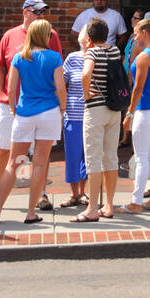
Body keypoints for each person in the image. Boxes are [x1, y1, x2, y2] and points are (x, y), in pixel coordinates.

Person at [0, 0, 64, 215]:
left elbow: (57, 68)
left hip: (33, 107)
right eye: (37, 12)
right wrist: (0, 95)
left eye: (44, 12)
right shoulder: (10, 35)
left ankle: (40, 194)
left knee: (40, 155)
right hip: (13, 106)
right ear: (25, 12)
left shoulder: (51, 35)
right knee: (3, 149)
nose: (41, 16)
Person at [77, 16, 123, 222]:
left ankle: (92, 208)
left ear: (89, 36)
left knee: (93, 158)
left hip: (96, 110)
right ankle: (109, 205)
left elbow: (86, 74)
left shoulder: (92, 52)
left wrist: (86, 94)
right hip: (115, 108)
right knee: (111, 157)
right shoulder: (115, 50)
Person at [122, 18, 150, 213]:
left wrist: (129, 113)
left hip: (145, 109)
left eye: (137, 33)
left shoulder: (143, 57)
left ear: (145, 33)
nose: (135, 36)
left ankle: (136, 202)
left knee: (141, 158)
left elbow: (137, 88)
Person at [61, 29, 88, 207]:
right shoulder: (72, 58)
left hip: (92, 114)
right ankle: (74, 194)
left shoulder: (98, 59)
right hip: (73, 113)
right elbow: (61, 83)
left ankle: (84, 192)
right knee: (72, 154)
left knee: (88, 156)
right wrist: (62, 108)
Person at [124, 10, 144, 75]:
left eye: (135, 18)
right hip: (125, 75)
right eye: (132, 17)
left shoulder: (142, 39)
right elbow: (126, 56)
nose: (132, 19)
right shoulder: (132, 36)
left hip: (133, 75)